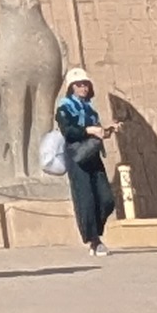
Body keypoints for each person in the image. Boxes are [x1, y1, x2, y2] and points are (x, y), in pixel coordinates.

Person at [55, 66, 116, 256]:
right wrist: (88, 130)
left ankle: (95, 231)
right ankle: (94, 240)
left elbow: (97, 132)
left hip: (93, 155)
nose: (83, 88)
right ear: (71, 87)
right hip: (77, 157)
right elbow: (68, 131)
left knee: (106, 199)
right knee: (85, 200)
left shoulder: (90, 109)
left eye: (85, 84)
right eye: (79, 85)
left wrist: (108, 130)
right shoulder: (64, 108)